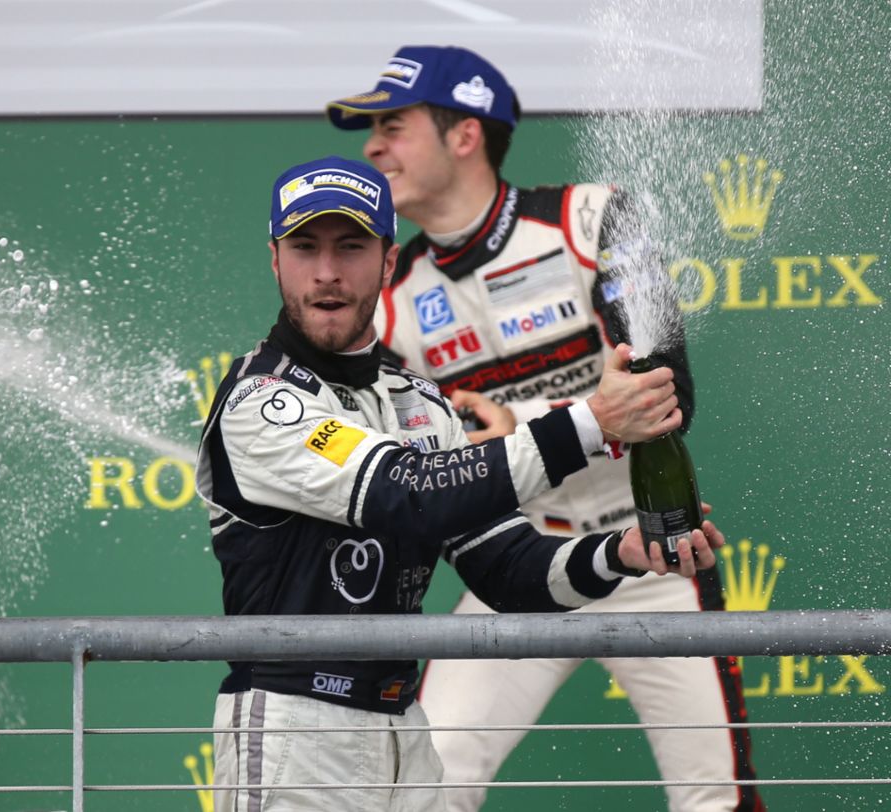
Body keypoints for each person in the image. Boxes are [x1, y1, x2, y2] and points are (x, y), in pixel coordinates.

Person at [195, 154, 726, 812]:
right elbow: (408, 494)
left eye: (351, 247)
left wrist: (616, 554)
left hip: (401, 733)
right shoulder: (263, 397)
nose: (327, 272)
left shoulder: (421, 401)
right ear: (275, 260)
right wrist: (591, 422)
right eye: (304, 248)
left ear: (388, 264)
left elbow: (510, 571)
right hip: (297, 734)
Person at [326, 45, 762, 811]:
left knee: (714, 799)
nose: (372, 146)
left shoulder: (593, 218)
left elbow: (666, 397)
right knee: (426, 790)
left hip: (652, 549)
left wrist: (521, 425)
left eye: (392, 125)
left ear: (464, 133)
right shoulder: (388, 300)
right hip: (518, 561)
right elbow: (413, 468)